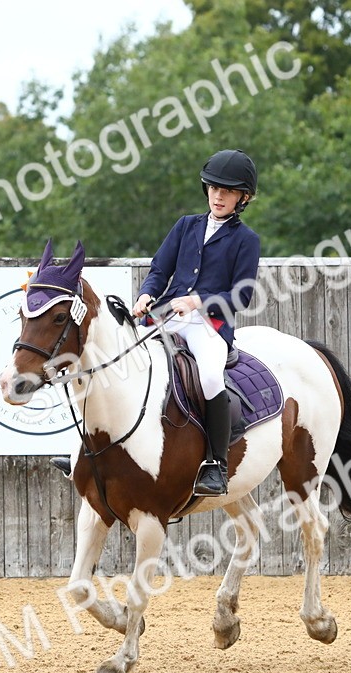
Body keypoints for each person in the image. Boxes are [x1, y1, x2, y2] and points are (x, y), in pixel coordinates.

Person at [132, 149, 262, 495]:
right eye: (214, 188)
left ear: (243, 197)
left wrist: (198, 301)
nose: (218, 196)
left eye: (228, 191)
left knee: (208, 376)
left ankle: (216, 464)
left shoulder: (246, 241)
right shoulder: (186, 225)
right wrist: (146, 294)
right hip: (166, 316)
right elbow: (160, 270)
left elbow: (241, 296)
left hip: (209, 325)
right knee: (121, 360)